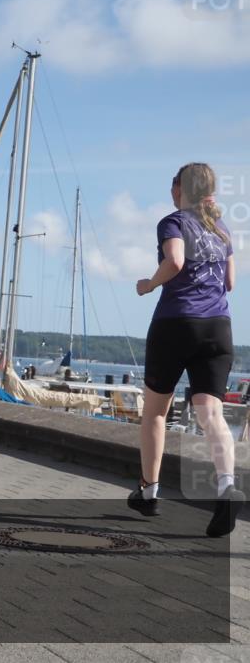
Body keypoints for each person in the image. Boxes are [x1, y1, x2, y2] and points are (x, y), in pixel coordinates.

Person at [130, 162, 242, 537]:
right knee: (211, 413)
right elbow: (230, 282)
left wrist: (148, 285)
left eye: (173, 186)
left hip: (176, 324)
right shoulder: (222, 229)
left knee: (155, 412)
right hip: (218, 328)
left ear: (181, 190)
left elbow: (175, 260)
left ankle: (149, 491)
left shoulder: (173, 222)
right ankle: (226, 487)